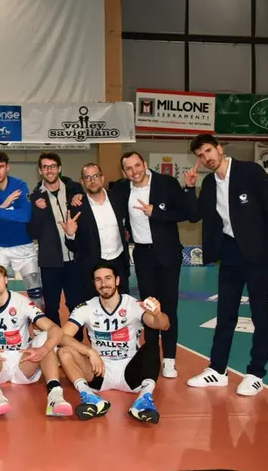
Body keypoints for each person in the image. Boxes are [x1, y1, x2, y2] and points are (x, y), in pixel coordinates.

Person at [183, 134, 268, 396]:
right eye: (200, 155)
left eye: (208, 150)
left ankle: (256, 373)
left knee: (260, 314)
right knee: (225, 313)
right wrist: (188, 187)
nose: (206, 157)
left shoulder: (249, 172)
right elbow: (195, 215)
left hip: (258, 253)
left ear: (219, 148)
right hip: (229, 253)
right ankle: (218, 370)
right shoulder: (208, 183)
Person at [57, 262, 170, 424]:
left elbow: (164, 325)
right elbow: (61, 336)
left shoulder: (133, 304)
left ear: (117, 280)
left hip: (131, 372)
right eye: (98, 280)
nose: (103, 284)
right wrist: (89, 351)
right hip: (99, 371)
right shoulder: (86, 308)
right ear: (94, 283)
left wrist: (157, 314)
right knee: (64, 352)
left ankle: (144, 399)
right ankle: (90, 398)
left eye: (108, 278)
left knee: (151, 346)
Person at [0, 263, 72, 417]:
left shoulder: (21, 302)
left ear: (6, 279)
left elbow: (55, 329)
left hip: (24, 361)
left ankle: (55, 395)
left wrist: (43, 349)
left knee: (45, 337)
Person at [112, 151, 190, 378]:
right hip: (143, 254)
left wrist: (157, 212)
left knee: (169, 306)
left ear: (144, 164)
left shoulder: (166, 183)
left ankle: (169, 359)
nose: (134, 171)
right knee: (148, 306)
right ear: (124, 172)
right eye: (129, 168)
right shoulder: (122, 190)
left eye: (137, 166)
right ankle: (152, 354)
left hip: (167, 254)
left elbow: (184, 213)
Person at [0, 151, 43, 307]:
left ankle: (38, 330)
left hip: (23, 245)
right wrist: (4, 207)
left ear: (8, 167)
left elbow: (24, 216)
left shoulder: (19, 185)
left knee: (36, 293)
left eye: (1, 167)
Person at [27, 152, 84, 336]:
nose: (49, 170)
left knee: (75, 304)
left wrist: (79, 195)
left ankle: (76, 343)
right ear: (40, 170)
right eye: (45, 167)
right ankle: (56, 344)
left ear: (59, 168)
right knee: (51, 306)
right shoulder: (35, 197)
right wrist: (37, 210)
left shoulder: (74, 190)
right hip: (50, 261)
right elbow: (33, 232)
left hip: (75, 260)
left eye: (52, 166)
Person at [65, 163, 131, 301]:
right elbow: (73, 247)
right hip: (91, 266)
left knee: (123, 308)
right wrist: (70, 235)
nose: (92, 180)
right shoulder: (76, 207)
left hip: (119, 263)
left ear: (102, 178)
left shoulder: (118, 199)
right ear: (82, 182)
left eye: (95, 176)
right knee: (94, 311)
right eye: (87, 177)